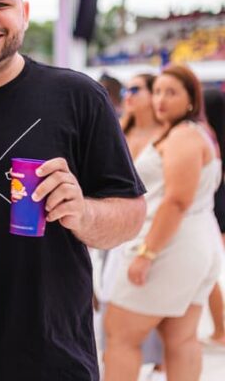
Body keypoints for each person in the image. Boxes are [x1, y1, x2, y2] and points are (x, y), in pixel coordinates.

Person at [0, 0, 147, 379]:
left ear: (24, 14)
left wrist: (83, 214)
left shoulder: (78, 96)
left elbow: (131, 215)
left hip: (51, 357)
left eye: (2, 4)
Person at [104, 65, 223, 381]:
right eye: (157, 91)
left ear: (191, 99)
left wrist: (147, 253)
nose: (160, 99)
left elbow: (176, 201)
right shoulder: (192, 133)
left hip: (171, 244)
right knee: (181, 338)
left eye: (171, 93)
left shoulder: (183, 135)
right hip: (193, 241)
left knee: (120, 335)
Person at [99, 74, 166, 380]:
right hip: (119, 236)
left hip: (155, 235)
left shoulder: (169, 135)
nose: (129, 95)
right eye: (127, 89)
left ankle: (158, 370)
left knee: (156, 320)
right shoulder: (118, 130)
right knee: (112, 316)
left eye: (137, 89)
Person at [203, 88, 225, 347]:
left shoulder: (206, 137)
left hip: (212, 208)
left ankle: (220, 329)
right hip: (216, 206)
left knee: (211, 276)